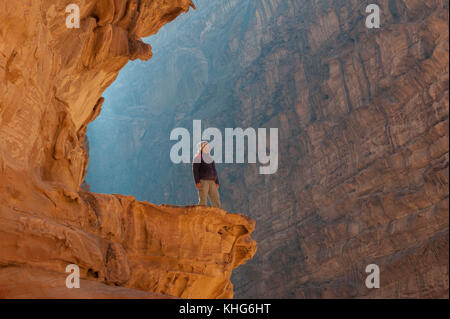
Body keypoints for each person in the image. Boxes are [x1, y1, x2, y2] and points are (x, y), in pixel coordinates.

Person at [192, 141, 221, 208]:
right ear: (202, 148)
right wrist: (197, 182)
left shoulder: (211, 158)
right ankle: (202, 213)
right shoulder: (198, 157)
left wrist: (217, 182)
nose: (208, 148)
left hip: (212, 181)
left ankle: (217, 214)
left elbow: (214, 170)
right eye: (206, 146)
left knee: (216, 198)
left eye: (208, 146)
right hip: (203, 181)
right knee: (203, 198)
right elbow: (195, 170)